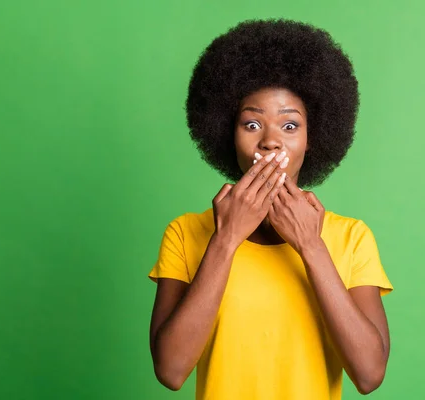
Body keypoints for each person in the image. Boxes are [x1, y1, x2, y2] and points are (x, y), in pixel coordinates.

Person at [148, 19, 394, 400]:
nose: (270, 142)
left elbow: (369, 375)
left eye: (290, 126)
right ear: (228, 135)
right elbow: (170, 370)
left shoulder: (351, 238)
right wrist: (226, 239)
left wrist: (311, 245)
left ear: (313, 139)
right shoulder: (185, 234)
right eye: (251, 123)